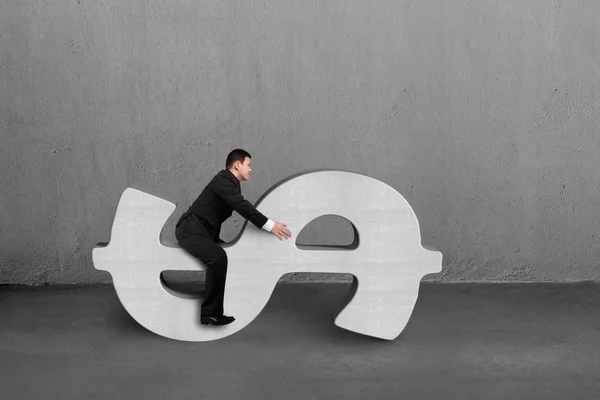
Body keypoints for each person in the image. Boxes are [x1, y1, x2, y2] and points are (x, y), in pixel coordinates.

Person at [175, 149, 292, 326]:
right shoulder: (223, 181)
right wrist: (270, 225)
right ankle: (209, 314)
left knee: (232, 255)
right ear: (237, 165)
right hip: (190, 231)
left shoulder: (231, 183)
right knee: (218, 257)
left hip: (204, 233)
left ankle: (228, 301)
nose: (251, 169)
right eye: (248, 165)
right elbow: (242, 206)